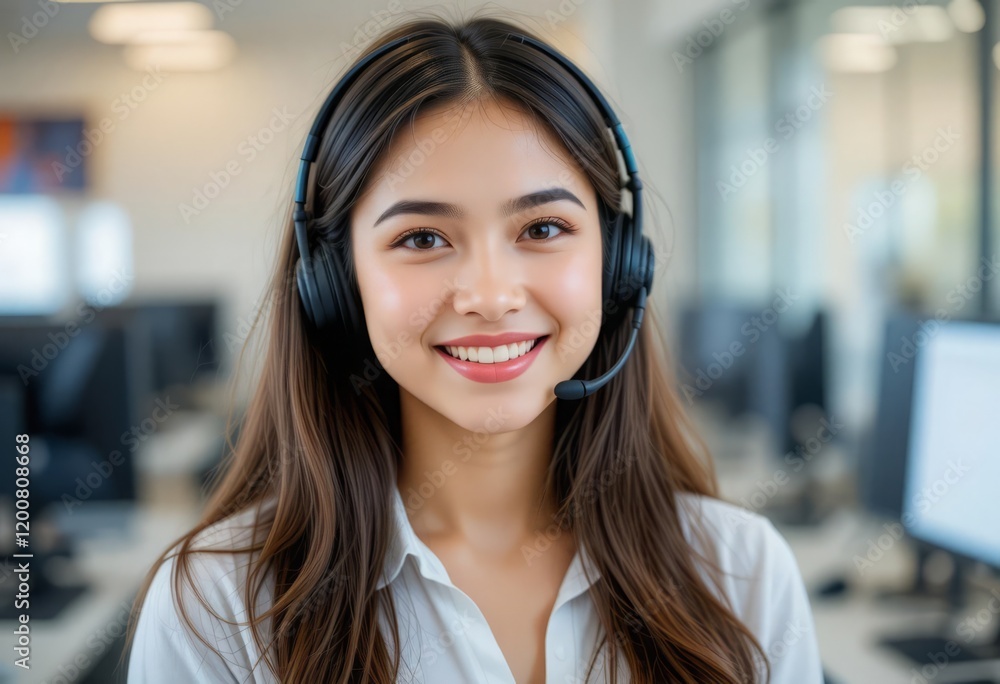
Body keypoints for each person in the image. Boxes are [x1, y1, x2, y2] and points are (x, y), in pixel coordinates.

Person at [124, 12, 824, 684]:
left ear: (617, 267)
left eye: (543, 229)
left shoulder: (743, 575)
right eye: (422, 239)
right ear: (335, 285)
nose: (490, 296)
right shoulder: (217, 611)